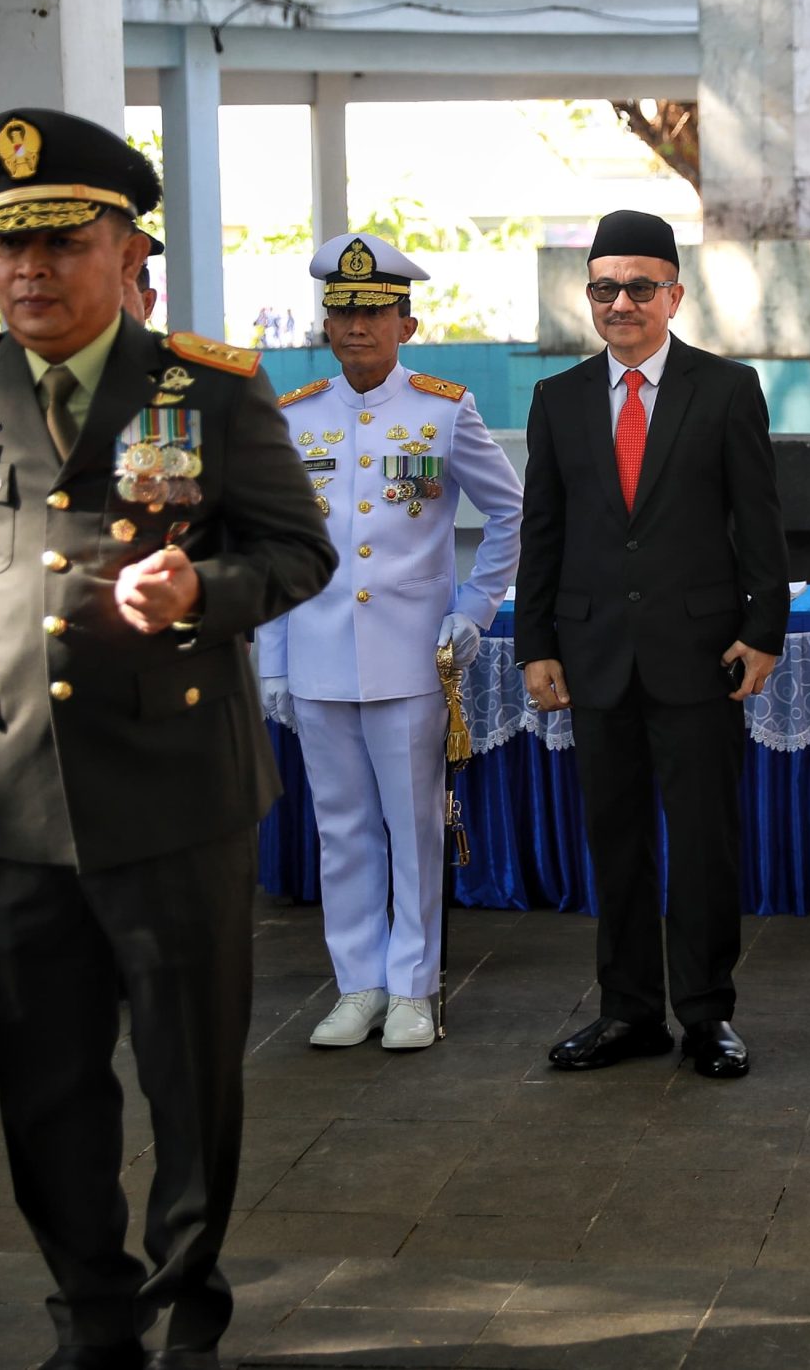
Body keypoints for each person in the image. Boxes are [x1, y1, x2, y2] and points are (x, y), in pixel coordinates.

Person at [0, 107, 333, 1370]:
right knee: (41, 1085)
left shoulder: (209, 388)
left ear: (125, 250)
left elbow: (297, 549)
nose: (27, 273)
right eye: (6, 251)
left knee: (189, 1080)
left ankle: (187, 1310)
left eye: (58, 245)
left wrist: (205, 592)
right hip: (9, 801)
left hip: (172, 794)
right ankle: (91, 1318)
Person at [517, 210, 789, 1080]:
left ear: (676, 293)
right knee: (616, 841)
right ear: (588, 297)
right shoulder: (556, 400)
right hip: (595, 658)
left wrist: (764, 629)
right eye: (605, 287)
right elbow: (543, 533)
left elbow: (760, 524)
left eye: (641, 286)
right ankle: (629, 1012)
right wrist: (536, 646)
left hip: (701, 655)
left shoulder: (726, 389)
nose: (622, 302)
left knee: (706, 842)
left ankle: (707, 1015)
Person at [258, 233, 521, 1050]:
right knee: (340, 830)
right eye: (342, 310)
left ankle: (414, 988)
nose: (356, 326)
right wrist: (271, 657)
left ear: (406, 324)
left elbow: (512, 513)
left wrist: (475, 609)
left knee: (413, 828)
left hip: (411, 659)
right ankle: (358, 984)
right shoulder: (296, 416)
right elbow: (272, 540)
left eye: (373, 311)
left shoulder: (444, 409)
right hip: (318, 655)